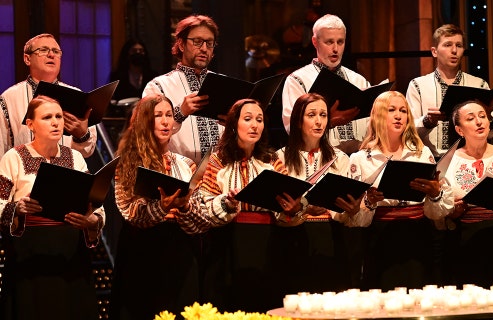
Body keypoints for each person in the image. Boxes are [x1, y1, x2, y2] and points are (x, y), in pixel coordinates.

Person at [109, 94, 220, 319]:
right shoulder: (128, 163)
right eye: (158, 115)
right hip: (142, 253)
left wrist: (185, 207)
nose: (166, 121)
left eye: (169, 115)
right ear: (144, 121)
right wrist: (161, 207)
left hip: (180, 252)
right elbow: (130, 213)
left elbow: (201, 223)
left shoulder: (186, 164)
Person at [196, 98, 307, 311]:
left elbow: (289, 200)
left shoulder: (271, 160)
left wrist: (293, 207)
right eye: (247, 119)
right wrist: (227, 203)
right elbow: (204, 205)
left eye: (259, 120)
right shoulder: (219, 160)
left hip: (268, 246)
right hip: (229, 245)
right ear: (234, 124)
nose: (254, 125)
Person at [0, 95, 105, 319]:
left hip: (69, 253)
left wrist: (92, 221)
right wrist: (17, 208)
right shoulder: (14, 157)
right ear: (30, 124)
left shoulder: (75, 157)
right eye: (47, 117)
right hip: (31, 253)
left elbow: (93, 203)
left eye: (58, 116)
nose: (56, 122)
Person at [423, 99, 493, 288]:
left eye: (483, 116)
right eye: (471, 118)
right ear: (459, 130)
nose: (479, 122)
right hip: (466, 242)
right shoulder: (449, 161)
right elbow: (435, 212)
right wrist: (451, 212)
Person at [346, 91, 442, 290]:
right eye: (391, 110)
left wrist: (434, 193)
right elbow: (355, 218)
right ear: (378, 115)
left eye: (403, 111)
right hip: (380, 237)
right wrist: (369, 201)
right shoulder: (361, 158)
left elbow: (438, 208)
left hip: (418, 234)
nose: (399, 116)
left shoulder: (421, 152)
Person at [274, 92, 358, 295]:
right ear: (297, 120)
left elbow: (347, 208)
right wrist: (299, 209)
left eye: (323, 115)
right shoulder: (280, 157)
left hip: (332, 239)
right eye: (311, 115)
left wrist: (352, 209)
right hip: (292, 241)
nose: (319, 121)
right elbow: (276, 210)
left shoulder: (340, 158)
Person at [406, 24, 493, 158]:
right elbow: (407, 130)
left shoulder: (479, 84)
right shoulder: (418, 85)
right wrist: (427, 121)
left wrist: (488, 116)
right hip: (430, 159)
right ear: (434, 51)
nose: (454, 50)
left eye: (459, 45)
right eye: (447, 45)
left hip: (470, 158)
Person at [281, 14, 370, 155]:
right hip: (318, 157)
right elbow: (291, 127)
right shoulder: (298, 80)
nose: (335, 49)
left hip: (357, 159)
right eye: (329, 42)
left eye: (340, 42)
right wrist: (328, 121)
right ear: (315, 42)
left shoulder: (358, 80)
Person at [143, 15, 224, 163]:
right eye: (197, 42)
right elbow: (146, 133)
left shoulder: (223, 83)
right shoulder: (158, 86)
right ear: (181, 44)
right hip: (177, 173)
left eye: (210, 43)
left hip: (218, 176)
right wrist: (180, 113)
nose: (204, 49)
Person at [0, 33, 97, 157]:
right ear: (27, 59)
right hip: (24, 175)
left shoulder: (77, 96)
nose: (51, 55)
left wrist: (82, 135)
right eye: (43, 50)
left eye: (56, 51)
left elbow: (87, 152)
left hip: (66, 173)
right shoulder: (8, 99)